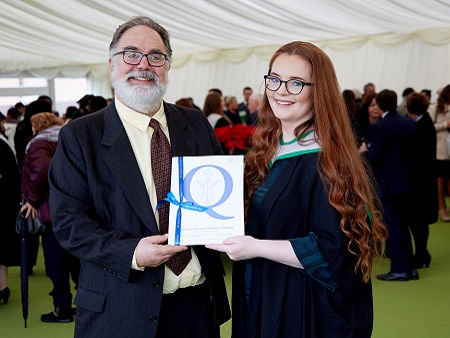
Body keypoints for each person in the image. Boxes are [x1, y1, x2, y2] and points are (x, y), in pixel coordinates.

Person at [49, 16, 230, 338]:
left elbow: (219, 194)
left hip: (197, 304)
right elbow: (68, 224)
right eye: (131, 54)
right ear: (111, 64)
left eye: (156, 56)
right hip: (119, 307)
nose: (143, 65)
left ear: (168, 66)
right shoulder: (80, 135)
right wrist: (131, 253)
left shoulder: (196, 122)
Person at [206, 41, 387, 337]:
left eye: (296, 83)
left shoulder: (329, 161)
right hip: (262, 295)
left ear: (319, 92)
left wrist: (254, 247)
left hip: (303, 309)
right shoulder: (268, 150)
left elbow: (333, 252)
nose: (281, 91)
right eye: (274, 79)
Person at [20, 112, 80, 323]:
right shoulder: (69, 137)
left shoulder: (39, 143)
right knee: (77, 262)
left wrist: (32, 199)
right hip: (75, 208)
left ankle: (61, 309)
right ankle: (84, 306)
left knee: (57, 263)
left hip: (51, 210)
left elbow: (42, 169)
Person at [361, 89, 418, 281]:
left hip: (388, 184)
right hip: (407, 183)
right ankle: (411, 268)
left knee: (393, 227)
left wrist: (363, 152)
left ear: (381, 104)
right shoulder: (409, 123)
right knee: (404, 226)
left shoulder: (381, 126)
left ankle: (399, 269)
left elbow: (374, 157)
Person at [405, 92, 437, 268]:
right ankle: (422, 253)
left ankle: (421, 253)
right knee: (420, 222)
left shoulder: (419, 126)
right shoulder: (425, 122)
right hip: (424, 181)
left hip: (419, 182)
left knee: (418, 221)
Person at [0, 127, 21, 305]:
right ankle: (2, 288)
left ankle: (2, 288)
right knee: (2, 250)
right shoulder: (3, 145)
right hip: (5, 206)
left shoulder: (2, 145)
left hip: (3, 206)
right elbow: (15, 177)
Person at [428, 84, 450, 222]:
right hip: (440, 151)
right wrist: (445, 125)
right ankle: (441, 207)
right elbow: (429, 127)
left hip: (448, 150)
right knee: (440, 180)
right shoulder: (434, 108)